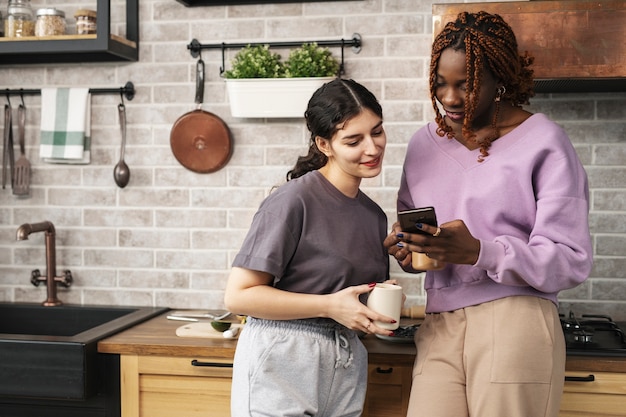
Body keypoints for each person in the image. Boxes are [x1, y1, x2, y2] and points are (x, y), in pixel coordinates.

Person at [384, 11, 593, 417]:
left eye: (465, 84)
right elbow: (422, 243)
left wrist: (480, 251)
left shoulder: (545, 142)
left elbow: (570, 259)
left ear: (500, 79)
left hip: (516, 319)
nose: (449, 98)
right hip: (439, 323)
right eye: (441, 84)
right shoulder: (422, 145)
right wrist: (411, 253)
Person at [225, 78, 398, 417]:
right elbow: (239, 296)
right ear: (325, 144)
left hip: (346, 361)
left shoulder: (374, 216)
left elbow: (347, 298)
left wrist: (379, 297)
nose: (373, 148)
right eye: (354, 140)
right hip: (283, 358)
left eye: (377, 132)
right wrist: (328, 306)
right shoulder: (292, 201)